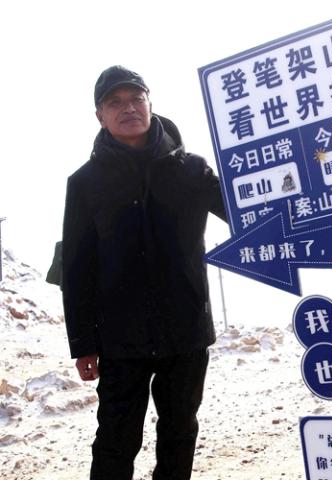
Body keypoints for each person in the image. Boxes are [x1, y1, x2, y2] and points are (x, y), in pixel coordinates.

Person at [61, 65, 226, 480]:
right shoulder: (84, 183)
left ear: (150, 104)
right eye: (115, 102)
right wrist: (83, 343)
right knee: (115, 440)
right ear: (100, 116)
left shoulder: (192, 169)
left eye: (136, 98)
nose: (128, 108)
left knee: (180, 432)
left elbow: (245, 210)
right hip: (120, 339)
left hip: (186, 331)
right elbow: (77, 268)